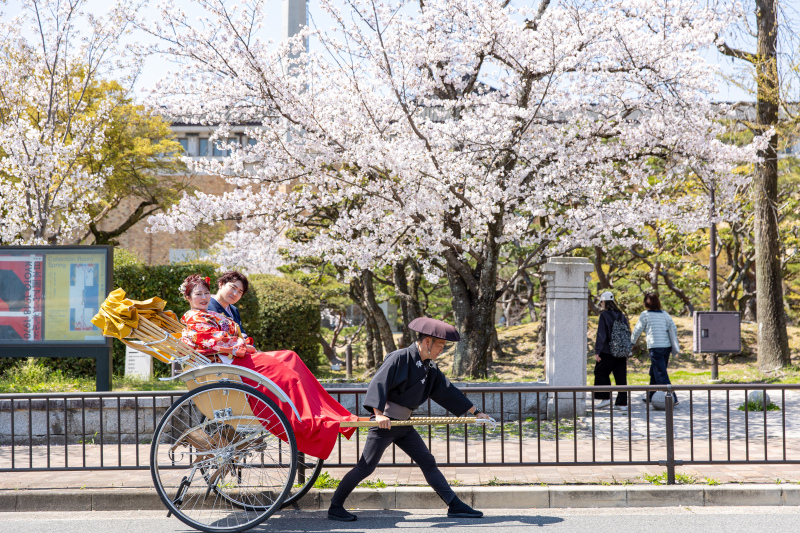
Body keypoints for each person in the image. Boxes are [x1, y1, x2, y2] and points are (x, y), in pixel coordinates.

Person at [327, 317, 490, 522]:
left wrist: (476, 412)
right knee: (366, 466)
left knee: (427, 462)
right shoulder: (399, 357)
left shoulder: (430, 367)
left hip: (404, 425)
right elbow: (379, 383)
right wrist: (378, 414)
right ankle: (335, 507)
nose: (442, 350)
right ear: (427, 341)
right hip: (385, 423)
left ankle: (454, 505)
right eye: (440, 345)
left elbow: (448, 390)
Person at [179, 274, 358, 458]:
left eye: (206, 293)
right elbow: (214, 340)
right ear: (188, 297)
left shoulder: (210, 314)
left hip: (238, 355)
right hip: (230, 361)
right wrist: (242, 345)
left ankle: (322, 411)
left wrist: (243, 342)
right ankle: (304, 419)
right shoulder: (194, 317)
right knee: (286, 374)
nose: (204, 298)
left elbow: (234, 334)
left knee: (290, 357)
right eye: (198, 294)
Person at [630, 292, 679, 405]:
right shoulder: (665, 314)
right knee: (655, 371)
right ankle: (651, 396)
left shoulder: (645, 315)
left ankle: (673, 398)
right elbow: (674, 329)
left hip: (655, 347)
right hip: (666, 347)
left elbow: (637, 329)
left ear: (645, 303)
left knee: (661, 373)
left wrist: (632, 342)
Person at [593, 291, 630, 410]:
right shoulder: (621, 315)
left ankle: (605, 398)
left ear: (603, 301)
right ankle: (622, 403)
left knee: (600, 373)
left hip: (607, 351)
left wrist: (597, 351)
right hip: (621, 351)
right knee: (621, 376)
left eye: (601, 303)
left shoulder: (604, 315)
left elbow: (601, 334)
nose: (601, 305)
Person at [208, 270, 249, 337]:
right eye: (233, 287)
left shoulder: (234, 310)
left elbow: (241, 333)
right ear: (221, 284)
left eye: (240, 292)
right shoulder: (206, 306)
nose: (235, 294)